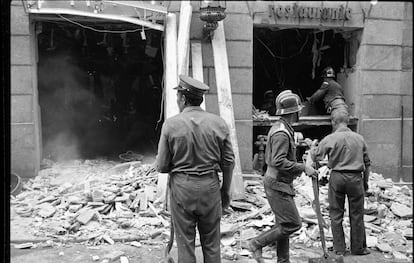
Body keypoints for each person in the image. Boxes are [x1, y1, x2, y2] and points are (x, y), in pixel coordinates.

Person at [156, 75, 235, 263]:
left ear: (183, 99)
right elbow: (229, 162)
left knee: (185, 245)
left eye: (178, 97)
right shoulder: (219, 123)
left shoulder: (171, 124)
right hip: (210, 188)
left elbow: (162, 166)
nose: (177, 101)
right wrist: (225, 191)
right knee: (212, 245)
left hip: (182, 190)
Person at [248, 90, 319, 263]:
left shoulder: (283, 128)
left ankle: (283, 260)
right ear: (294, 112)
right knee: (293, 224)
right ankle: (256, 243)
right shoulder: (281, 133)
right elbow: (278, 161)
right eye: (299, 110)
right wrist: (304, 167)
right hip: (277, 182)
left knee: (283, 224)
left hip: (280, 182)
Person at [310, 110, 371, 256]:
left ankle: (339, 248)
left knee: (336, 213)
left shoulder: (330, 138)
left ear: (333, 122)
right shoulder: (359, 138)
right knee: (357, 214)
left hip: (337, 177)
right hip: (356, 177)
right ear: (348, 121)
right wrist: (365, 182)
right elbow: (367, 163)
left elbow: (316, 156)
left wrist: (312, 147)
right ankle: (358, 248)